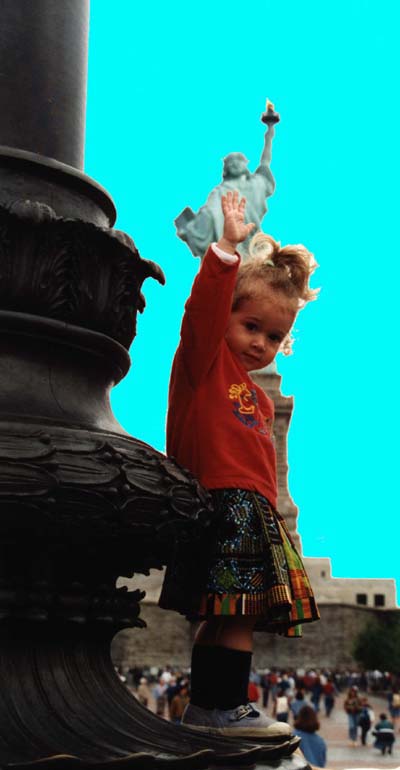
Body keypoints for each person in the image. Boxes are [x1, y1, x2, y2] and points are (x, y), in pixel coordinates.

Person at [159, 190, 319, 739]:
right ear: (225, 316)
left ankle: (208, 706)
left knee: (226, 613)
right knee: (239, 612)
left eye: (275, 336)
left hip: (250, 511)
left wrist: (274, 513)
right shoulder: (203, 365)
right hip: (217, 505)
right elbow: (201, 313)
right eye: (250, 327)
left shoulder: (261, 399)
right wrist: (226, 249)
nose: (261, 344)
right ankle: (227, 703)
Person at [175, 122, 276, 257]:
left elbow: (265, 162)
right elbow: (209, 213)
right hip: (231, 252)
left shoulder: (256, 184)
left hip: (254, 248)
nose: (234, 164)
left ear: (245, 166)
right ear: (226, 169)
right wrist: (192, 228)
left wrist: (269, 135)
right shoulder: (220, 191)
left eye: (238, 161)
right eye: (230, 162)